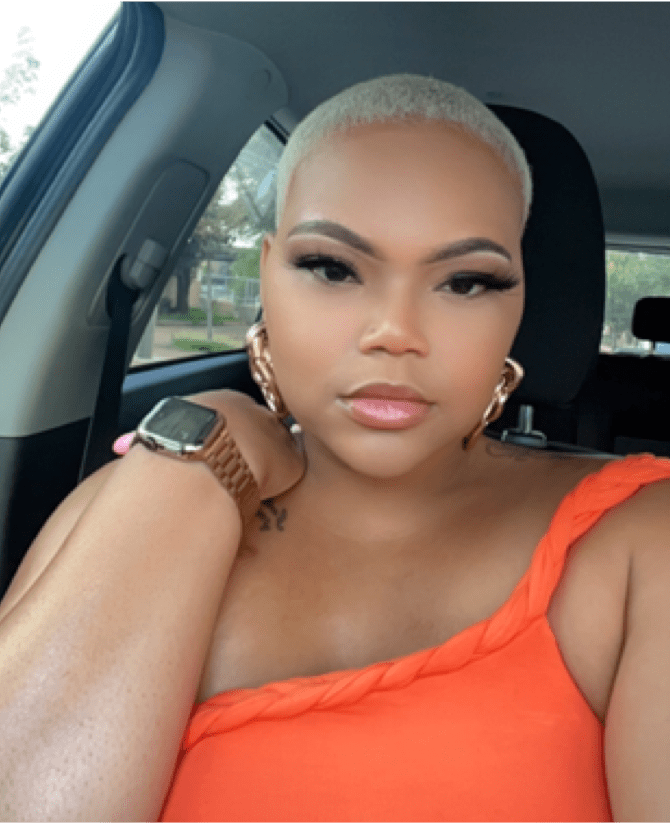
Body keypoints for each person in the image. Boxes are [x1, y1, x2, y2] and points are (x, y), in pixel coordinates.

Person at [1, 74, 669, 823]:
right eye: (332, 268)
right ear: (267, 275)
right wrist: (204, 446)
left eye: (466, 282)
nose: (395, 332)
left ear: (518, 306)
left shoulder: (644, 540)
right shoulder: (145, 490)